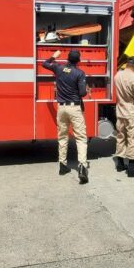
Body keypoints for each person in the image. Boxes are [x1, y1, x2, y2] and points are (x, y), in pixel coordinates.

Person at [42, 49, 89, 184]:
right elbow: (82, 92)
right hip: (74, 108)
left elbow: (45, 64)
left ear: (67, 59)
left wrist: (53, 56)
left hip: (61, 108)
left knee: (62, 136)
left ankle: (63, 166)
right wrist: (86, 89)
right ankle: (82, 167)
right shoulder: (79, 73)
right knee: (80, 137)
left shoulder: (58, 68)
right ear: (78, 61)